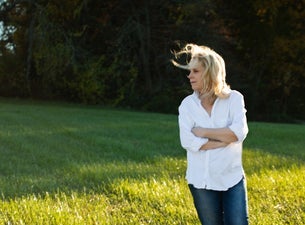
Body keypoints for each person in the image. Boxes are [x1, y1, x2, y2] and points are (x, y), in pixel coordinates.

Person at [172, 44, 249, 225]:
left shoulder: (234, 99)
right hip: (201, 182)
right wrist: (223, 139)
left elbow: (239, 133)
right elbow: (188, 141)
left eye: (195, 71)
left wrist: (203, 132)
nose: (189, 76)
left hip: (232, 179)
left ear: (210, 72)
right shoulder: (187, 105)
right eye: (190, 72)